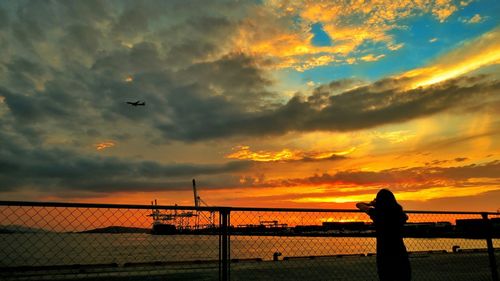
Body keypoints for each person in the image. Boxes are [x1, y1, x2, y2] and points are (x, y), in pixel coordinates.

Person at [356, 189, 411, 281]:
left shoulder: (378, 213)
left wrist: (372, 204)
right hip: (400, 250)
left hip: (384, 251)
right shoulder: (399, 214)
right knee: (403, 274)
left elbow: (359, 204)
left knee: (386, 275)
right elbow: (405, 216)